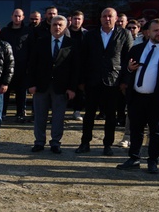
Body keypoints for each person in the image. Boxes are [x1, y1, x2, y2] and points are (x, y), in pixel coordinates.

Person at [117, 18, 159, 174]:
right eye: (156, 30)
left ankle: (153, 160)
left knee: (156, 132)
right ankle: (134, 158)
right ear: (148, 32)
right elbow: (125, 69)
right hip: (137, 97)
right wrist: (129, 69)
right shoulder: (137, 49)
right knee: (136, 129)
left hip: (158, 98)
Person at [77, 8, 132, 156]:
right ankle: (85, 143)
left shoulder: (124, 34)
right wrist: (81, 80)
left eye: (110, 16)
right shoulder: (90, 35)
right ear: (100, 18)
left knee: (111, 116)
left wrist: (125, 81)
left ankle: (108, 145)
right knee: (89, 115)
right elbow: (83, 58)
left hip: (113, 81)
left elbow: (128, 59)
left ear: (115, 18)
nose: (107, 19)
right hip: (92, 80)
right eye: (104, 16)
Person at [29, 15, 79, 154]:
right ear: (50, 26)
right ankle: (39, 142)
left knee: (58, 117)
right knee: (40, 116)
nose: (57, 27)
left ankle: (55, 142)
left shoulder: (72, 44)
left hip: (61, 87)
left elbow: (75, 68)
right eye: (54, 25)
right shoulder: (40, 42)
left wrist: (72, 88)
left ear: (65, 27)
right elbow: (32, 65)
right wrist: (32, 84)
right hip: (41, 85)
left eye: (60, 25)